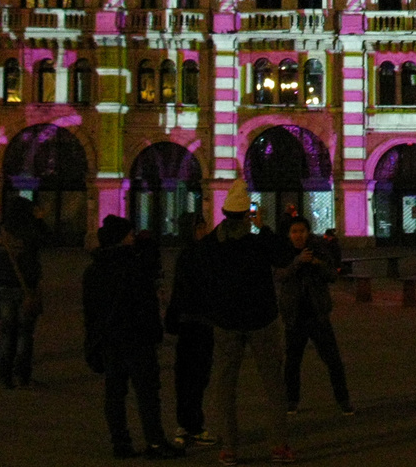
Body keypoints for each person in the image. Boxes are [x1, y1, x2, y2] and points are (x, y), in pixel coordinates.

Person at [201, 179, 297, 465]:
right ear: (247, 215)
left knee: (225, 386)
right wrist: (264, 226)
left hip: (226, 322)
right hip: (262, 321)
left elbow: (202, 280)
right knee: (273, 385)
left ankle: (229, 447)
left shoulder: (210, 245)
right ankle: (278, 446)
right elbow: (283, 255)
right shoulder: (258, 243)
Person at [83, 214, 184, 459]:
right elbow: (146, 306)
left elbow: (90, 311)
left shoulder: (93, 270)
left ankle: (120, 443)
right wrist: (155, 333)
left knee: (115, 393)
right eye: (129, 235)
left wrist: (93, 340)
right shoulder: (134, 266)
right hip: (137, 339)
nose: (133, 239)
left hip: (108, 339)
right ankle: (155, 442)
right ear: (121, 239)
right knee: (147, 393)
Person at [278, 217, 353, 416]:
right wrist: (297, 262)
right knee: (292, 362)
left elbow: (332, 275)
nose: (298, 235)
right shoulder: (284, 252)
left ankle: (343, 399)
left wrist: (316, 262)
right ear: (288, 234)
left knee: (333, 360)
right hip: (294, 316)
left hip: (317, 314)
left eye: (302, 231)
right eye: (294, 231)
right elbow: (280, 276)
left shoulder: (319, 249)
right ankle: (291, 400)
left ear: (308, 232)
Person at [165, 217, 218, 449]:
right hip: (199, 322)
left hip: (189, 321)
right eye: (201, 227)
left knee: (187, 377)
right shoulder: (201, 255)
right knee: (195, 376)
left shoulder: (188, 255)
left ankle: (185, 425)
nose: (204, 231)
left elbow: (178, 291)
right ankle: (191, 425)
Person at [0, 195, 46, 389]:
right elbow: (47, 239)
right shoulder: (29, 232)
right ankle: (22, 376)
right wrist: (39, 220)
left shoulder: (1, 233)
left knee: (7, 332)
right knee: (25, 334)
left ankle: (4, 375)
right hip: (25, 288)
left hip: (3, 286)